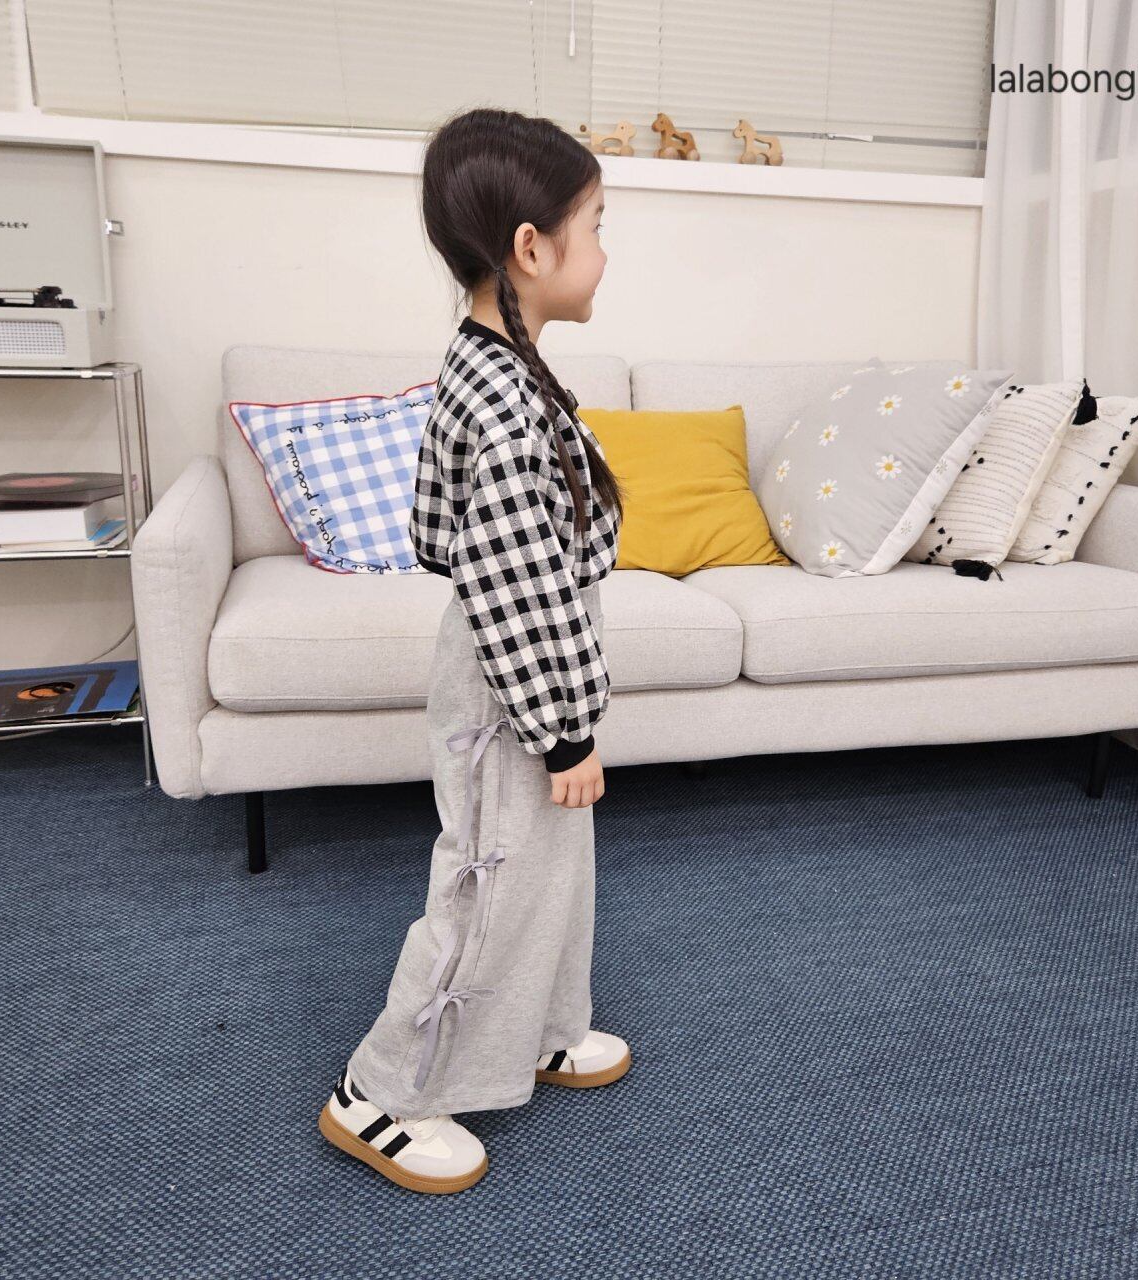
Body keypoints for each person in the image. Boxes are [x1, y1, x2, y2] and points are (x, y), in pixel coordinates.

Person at [317, 106, 629, 1195]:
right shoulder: (500, 403)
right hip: (512, 684)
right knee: (487, 876)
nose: (607, 251)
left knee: (550, 868)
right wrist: (565, 729)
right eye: (597, 226)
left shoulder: (503, 360)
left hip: (522, 664)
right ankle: (382, 1093)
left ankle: (534, 1027)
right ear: (531, 249)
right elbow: (514, 585)